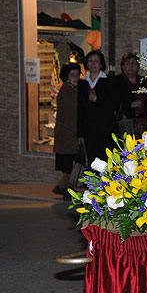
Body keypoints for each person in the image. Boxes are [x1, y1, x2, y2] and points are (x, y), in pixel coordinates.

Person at [77, 50, 117, 165]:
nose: (93, 64)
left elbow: (114, 104)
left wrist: (97, 100)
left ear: (101, 64)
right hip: (89, 128)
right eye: (90, 61)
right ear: (86, 64)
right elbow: (80, 109)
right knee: (91, 159)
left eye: (96, 61)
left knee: (104, 159)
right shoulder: (82, 83)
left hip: (106, 128)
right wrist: (79, 133)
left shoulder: (109, 81)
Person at [53, 62, 81, 196]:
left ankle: (64, 186)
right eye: (72, 75)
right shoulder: (68, 91)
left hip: (67, 134)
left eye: (77, 74)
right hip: (69, 134)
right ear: (67, 76)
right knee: (69, 164)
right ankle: (63, 186)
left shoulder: (70, 90)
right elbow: (73, 113)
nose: (76, 77)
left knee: (69, 164)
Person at [113, 52, 147, 139]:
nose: (130, 66)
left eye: (133, 63)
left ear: (138, 66)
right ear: (122, 67)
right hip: (125, 125)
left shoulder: (144, 81)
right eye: (127, 64)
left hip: (145, 125)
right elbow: (113, 103)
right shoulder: (115, 82)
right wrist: (129, 105)